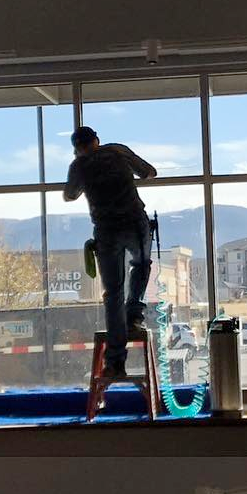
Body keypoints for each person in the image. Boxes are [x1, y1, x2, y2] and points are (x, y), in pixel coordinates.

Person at [64, 126, 158, 381]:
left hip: (106, 230)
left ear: (77, 148)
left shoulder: (79, 166)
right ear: (97, 140)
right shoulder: (117, 151)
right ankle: (134, 314)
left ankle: (115, 361)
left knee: (113, 294)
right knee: (141, 264)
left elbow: (69, 195)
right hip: (134, 222)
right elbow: (149, 172)